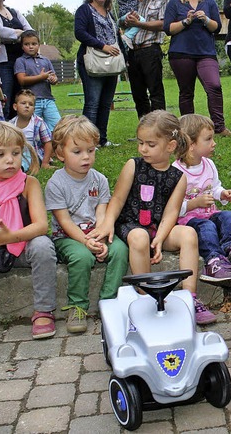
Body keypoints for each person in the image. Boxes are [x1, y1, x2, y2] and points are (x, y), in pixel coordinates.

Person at [88, 111, 216, 325]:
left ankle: (190, 298)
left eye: (150, 144)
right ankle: (145, 297)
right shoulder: (133, 166)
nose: (143, 149)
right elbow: (118, 199)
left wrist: (160, 238)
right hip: (132, 224)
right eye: (140, 143)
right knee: (139, 237)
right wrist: (108, 222)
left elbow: (171, 213)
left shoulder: (178, 177)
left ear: (171, 146)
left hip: (159, 227)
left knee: (188, 234)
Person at [0, 121, 57, 345]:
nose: (10, 160)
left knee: (42, 245)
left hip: (23, 251)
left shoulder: (28, 184)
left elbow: (41, 225)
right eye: (0, 154)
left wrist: (10, 237)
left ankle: (43, 310)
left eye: (16, 152)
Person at [45, 115, 129, 333]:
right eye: (77, 152)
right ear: (60, 153)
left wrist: (100, 236)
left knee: (119, 249)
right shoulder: (56, 183)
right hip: (67, 237)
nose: (86, 157)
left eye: (91, 150)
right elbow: (63, 221)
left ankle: (108, 302)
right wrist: (85, 241)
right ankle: (77, 306)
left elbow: (102, 212)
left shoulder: (99, 179)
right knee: (82, 257)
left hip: (94, 232)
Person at [173, 114, 231, 288]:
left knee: (227, 216)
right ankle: (214, 260)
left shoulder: (209, 165)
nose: (214, 143)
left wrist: (222, 194)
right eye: (208, 139)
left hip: (210, 213)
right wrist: (194, 204)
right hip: (189, 220)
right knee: (208, 227)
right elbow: (173, 207)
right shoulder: (176, 172)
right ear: (191, 145)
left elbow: (214, 188)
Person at [164, 0, 231, 135]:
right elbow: (168, 28)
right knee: (186, 92)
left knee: (214, 86)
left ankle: (219, 127)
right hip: (181, 53)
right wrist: (186, 21)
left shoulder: (208, 1)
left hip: (205, 53)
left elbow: (216, 27)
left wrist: (205, 19)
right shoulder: (174, 3)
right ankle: (188, 130)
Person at [74, 0, 121, 147]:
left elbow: (117, 36)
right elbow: (79, 32)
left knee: (106, 103)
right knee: (92, 103)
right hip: (92, 61)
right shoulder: (85, 10)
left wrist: (124, 59)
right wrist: (103, 46)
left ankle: (102, 139)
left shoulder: (109, 13)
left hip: (111, 63)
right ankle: (87, 141)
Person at [122, 0, 169, 120]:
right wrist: (127, 21)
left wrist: (139, 24)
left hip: (150, 49)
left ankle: (160, 128)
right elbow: (125, 22)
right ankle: (144, 130)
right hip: (132, 51)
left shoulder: (165, 0)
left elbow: (163, 24)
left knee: (155, 91)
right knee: (138, 93)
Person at [14, 30, 61, 131]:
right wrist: (41, 77)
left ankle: (55, 145)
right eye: (27, 44)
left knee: (57, 126)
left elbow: (54, 77)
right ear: (22, 46)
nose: (31, 46)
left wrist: (53, 79)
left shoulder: (45, 60)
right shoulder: (20, 61)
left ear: (39, 45)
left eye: (34, 44)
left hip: (48, 99)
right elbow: (22, 80)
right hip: (31, 102)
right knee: (33, 127)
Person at [9, 89, 53, 171]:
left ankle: (20, 168)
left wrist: (45, 162)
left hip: (34, 154)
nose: (27, 106)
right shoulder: (11, 124)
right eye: (23, 103)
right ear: (15, 107)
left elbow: (48, 142)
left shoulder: (38, 123)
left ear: (34, 109)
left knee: (26, 156)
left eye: (31, 104)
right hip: (16, 153)